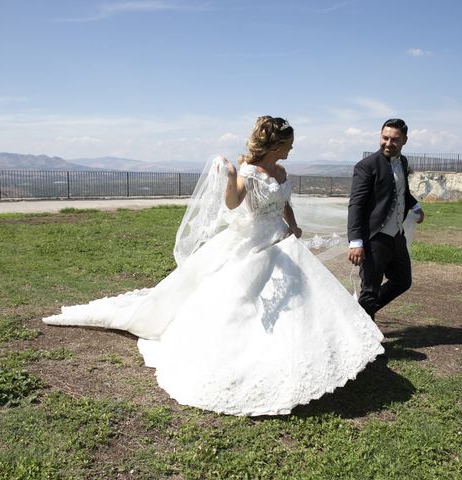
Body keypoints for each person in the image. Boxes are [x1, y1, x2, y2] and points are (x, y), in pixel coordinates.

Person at [43, 116, 384, 416]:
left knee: (302, 299)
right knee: (241, 297)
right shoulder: (249, 172)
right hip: (252, 240)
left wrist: (293, 224)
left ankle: (312, 352)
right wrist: (232, 175)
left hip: (281, 239)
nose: (292, 150)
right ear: (276, 144)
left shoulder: (280, 170)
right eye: (289, 145)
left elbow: (284, 202)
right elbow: (233, 204)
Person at [347, 118, 425, 320]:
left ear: (405, 140)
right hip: (374, 237)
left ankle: (358, 314)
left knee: (402, 281)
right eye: (385, 138)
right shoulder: (366, 166)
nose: (388, 143)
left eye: (394, 139)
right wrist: (356, 241)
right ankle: (365, 340)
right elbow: (356, 204)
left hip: (396, 235)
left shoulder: (403, 162)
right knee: (370, 291)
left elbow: (401, 191)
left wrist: (415, 206)